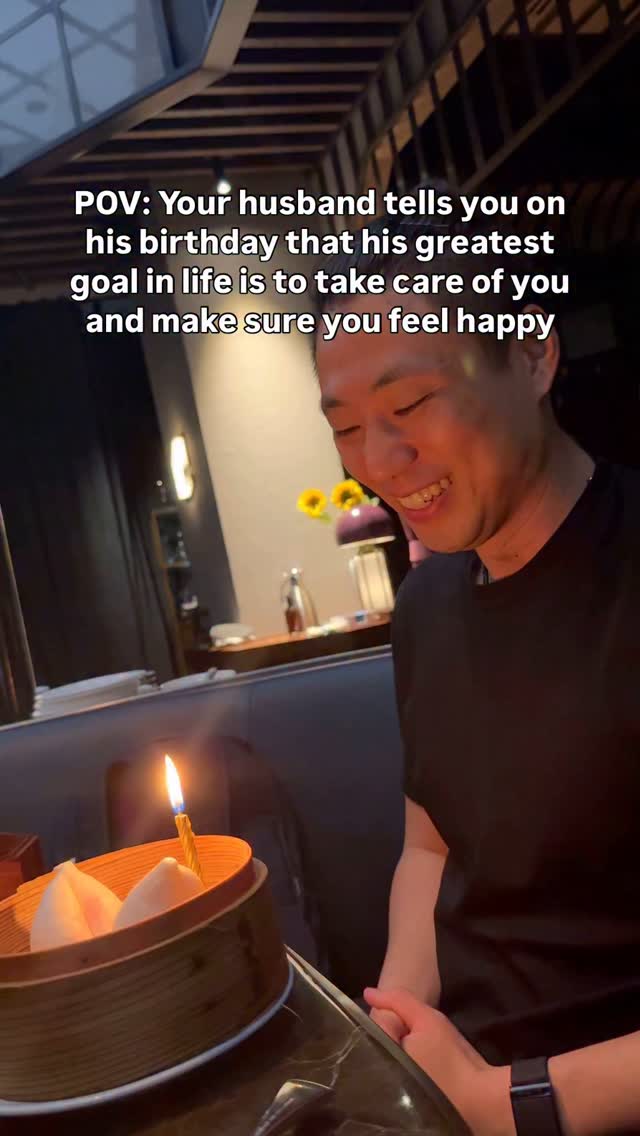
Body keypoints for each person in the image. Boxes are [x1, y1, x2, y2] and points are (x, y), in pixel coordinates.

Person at [314, 183, 640, 1136]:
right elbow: (433, 845)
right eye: (345, 426)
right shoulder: (427, 607)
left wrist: (512, 1102)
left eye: (410, 402)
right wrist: (393, 1030)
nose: (379, 459)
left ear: (532, 354)